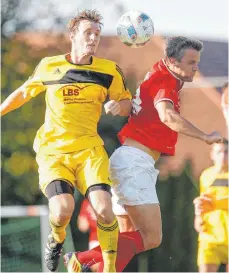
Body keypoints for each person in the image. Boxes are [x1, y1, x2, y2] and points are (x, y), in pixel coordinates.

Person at [64, 36, 223, 272]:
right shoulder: (166, 80)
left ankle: (89, 264)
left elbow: (138, 107)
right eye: (191, 62)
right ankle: (82, 258)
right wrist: (205, 136)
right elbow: (167, 116)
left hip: (125, 161)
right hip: (135, 165)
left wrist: (121, 106)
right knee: (151, 237)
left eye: (197, 62)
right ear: (172, 61)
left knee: (127, 240)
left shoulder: (156, 73)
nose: (195, 67)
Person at [0, 9, 132, 272]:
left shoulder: (109, 71)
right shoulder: (50, 65)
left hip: (89, 152)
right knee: (62, 210)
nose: (93, 38)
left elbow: (127, 102)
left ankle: (108, 267)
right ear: (73, 35)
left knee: (105, 210)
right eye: (88, 33)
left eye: (97, 34)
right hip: (54, 152)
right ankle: (56, 239)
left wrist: (121, 106)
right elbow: (24, 93)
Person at [193, 139, 228, 272]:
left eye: (227, 152)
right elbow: (203, 202)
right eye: (219, 152)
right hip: (210, 236)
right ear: (212, 154)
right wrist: (197, 217)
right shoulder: (206, 175)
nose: (223, 156)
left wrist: (215, 203)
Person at [77, 198, 99, 271]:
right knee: (95, 266)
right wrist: (82, 222)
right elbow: (83, 225)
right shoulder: (87, 202)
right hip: (95, 237)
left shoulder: (109, 197)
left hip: (112, 236)